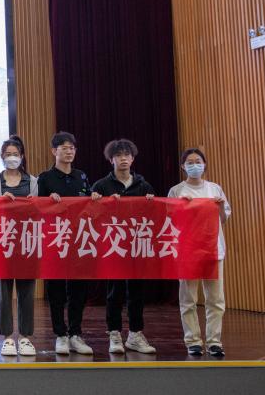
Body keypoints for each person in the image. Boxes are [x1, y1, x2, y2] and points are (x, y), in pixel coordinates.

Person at [91, 138, 157, 355]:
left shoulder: (144, 186)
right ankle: (114, 334)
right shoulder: (101, 186)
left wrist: (151, 203)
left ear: (133, 158)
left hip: (137, 245)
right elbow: (90, 217)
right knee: (114, 292)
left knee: (136, 292)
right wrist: (98, 202)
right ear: (111, 159)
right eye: (118, 155)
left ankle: (135, 334)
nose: (123, 159)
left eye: (127, 155)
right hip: (113, 246)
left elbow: (155, 217)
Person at [36, 132, 94, 356]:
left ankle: (75, 334)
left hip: (79, 240)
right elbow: (37, 209)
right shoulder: (45, 178)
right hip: (55, 240)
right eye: (64, 148)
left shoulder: (81, 176)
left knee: (78, 290)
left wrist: (94, 198)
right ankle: (60, 334)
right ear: (54, 151)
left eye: (72, 148)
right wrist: (48, 201)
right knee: (56, 290)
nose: (69, 152)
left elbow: (89, 205)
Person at [168, 148, 231, 357]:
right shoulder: (176, 190)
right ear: (183, 166)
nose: (194, 165)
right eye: (190, 162)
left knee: (216, 299)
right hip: (188, 251)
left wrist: (219, 207)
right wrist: (182, 207)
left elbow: (224, 218)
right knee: (188, 299)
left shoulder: (215, 188)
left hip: (213, 250)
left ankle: (214, 341)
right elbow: (170, 220)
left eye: (198, 161)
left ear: (204, 164)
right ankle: (193, 341)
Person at [0, 135, 38, 358]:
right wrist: (0, 201)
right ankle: (7, 338)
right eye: (8, 154)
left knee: (27, 291)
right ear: (2, 157)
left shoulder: (32, 181)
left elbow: (38, 212)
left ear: (22, 156)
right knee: (4, 292)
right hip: (2, 241)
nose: (12, 158)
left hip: (26, 242)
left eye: (15, 154)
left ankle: (25, 338)